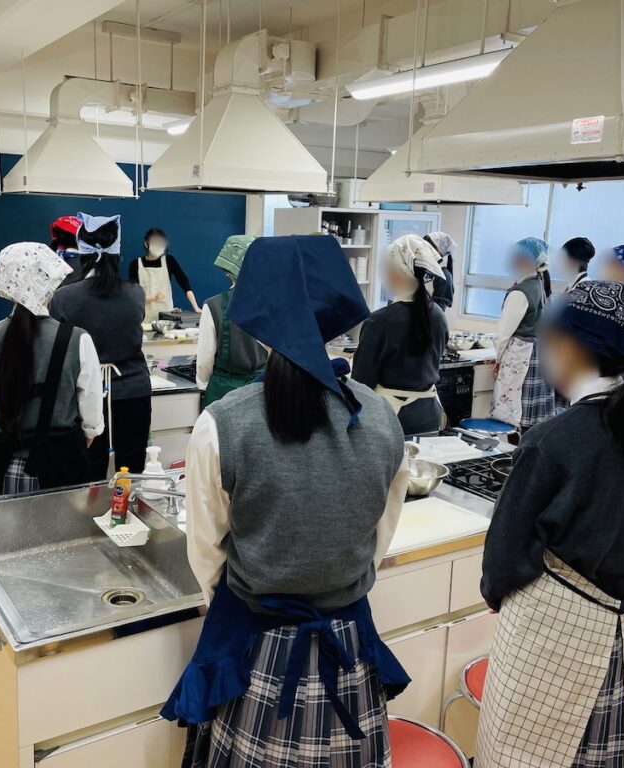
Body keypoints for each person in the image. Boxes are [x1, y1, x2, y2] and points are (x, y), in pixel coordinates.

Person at [163, 235, 411, 768]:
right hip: (348, 643)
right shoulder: (382, 418)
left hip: (258, 647)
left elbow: (206, 551)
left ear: (255, 313)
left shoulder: (221, 424)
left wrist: (257, 582)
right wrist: (331, 576)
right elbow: (380, 532)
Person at [477, 280, 624, 768]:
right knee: (591, 748)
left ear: (570, 348)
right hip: (612, 620)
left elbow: (505, 550)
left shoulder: (554, 439)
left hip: (547, 626)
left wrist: (495, 592)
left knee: (522, 752)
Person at [0, 243, 102, 496]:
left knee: (7, 525)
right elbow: (92, 418)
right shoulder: (77, 339)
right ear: (51, 284)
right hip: (60, 468)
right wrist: (82, 436)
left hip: (2, 469)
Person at [51, 215, 152, 478]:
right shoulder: (135, 293)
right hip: (133, 389)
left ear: (82, 252)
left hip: (84, 395)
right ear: (117, 254)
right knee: (131, 471)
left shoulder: (64, 297)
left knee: (87, 472)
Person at [353, 234, 450, 434]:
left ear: (398, 273)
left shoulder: (380, 321)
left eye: (387, 268)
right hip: (429, 414)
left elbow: (362, 382)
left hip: (391, 416)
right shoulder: (438, 315)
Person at [491, 237, 556, 429]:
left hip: (520, 356)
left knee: (511, 419)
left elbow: (503, 334)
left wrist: (497, 360)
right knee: (529, 419)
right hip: (537, 354)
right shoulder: (540, 285)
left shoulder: (520, 292)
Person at [196, 235, 267, 406]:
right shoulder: (273, 302)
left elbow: (205, 361)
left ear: (228, 271)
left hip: (224, 392)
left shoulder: (214, 305)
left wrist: (204, 385)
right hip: (263, 390)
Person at [128, 227, 201, 319]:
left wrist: (196, 307)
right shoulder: (135, 265)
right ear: (146, 244)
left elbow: (184, 284)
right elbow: (134, 295)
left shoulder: (169, 261)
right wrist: (154, 298)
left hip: (166, 317)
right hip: (143, 316)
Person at [423, 231, 457, 310]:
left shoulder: (444, 276)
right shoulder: (422, 268)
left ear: (437, 250)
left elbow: (437, 310)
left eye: (426, 246)